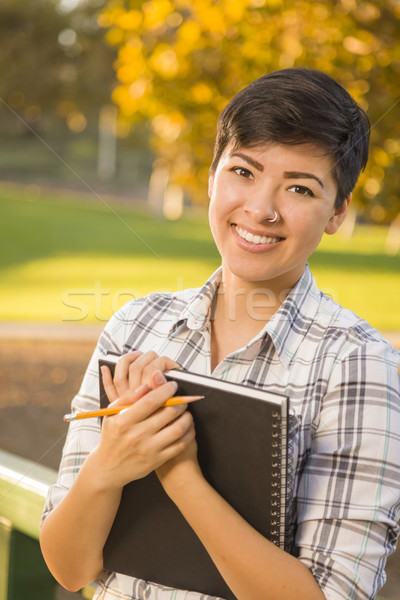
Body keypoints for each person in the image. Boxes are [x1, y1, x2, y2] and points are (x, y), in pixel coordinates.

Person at [40, 68, 400, 600]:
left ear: (338, 212)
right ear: (211, 177)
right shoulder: (136, 326)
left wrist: (180, 473)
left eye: (300, 187)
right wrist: (109, 463)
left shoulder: (359, 365)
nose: (261, 209)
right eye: (244, 171)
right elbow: (70, 570)